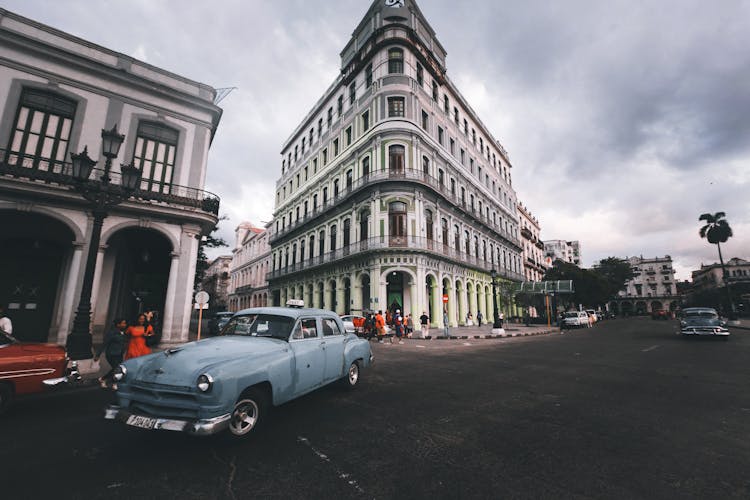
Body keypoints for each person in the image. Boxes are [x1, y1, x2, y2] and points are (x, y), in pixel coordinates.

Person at [95, 318, 128, 389]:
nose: (124, 325)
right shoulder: (112, 332)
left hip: (119, 353)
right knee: (117, 368)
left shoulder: (123, 332)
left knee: (117, 369)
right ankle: (109, 381)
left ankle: (107, 380)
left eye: (125, 323)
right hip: (111, 353)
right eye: (123, 323)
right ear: (118, 324)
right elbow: (105, 343)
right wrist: (98, 354)